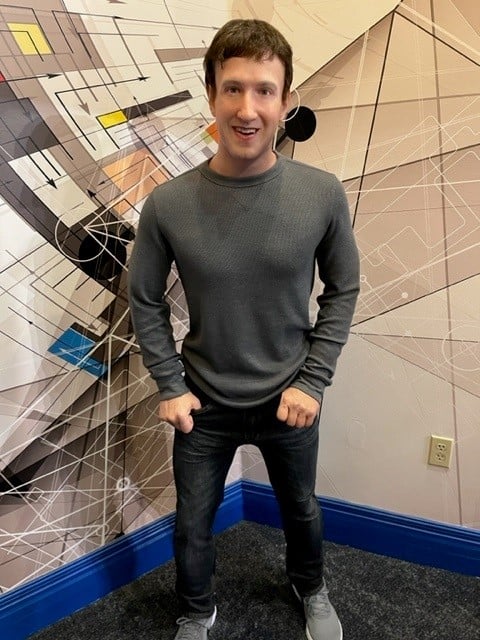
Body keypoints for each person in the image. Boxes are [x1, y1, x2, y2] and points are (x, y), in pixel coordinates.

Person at [128, 18, 360, 640]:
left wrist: (313, 381)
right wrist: (170, 385)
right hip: (203, 404)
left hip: (291, 397)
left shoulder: (321, 194)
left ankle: (310, 588)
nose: (247, 108)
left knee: (301, 509)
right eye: (233, 88)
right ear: (212, 95)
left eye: (264, 90)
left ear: (286, 102)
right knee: (191, 525)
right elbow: (144, 298)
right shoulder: (168, 203)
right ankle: (195, 610)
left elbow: (343, 289)